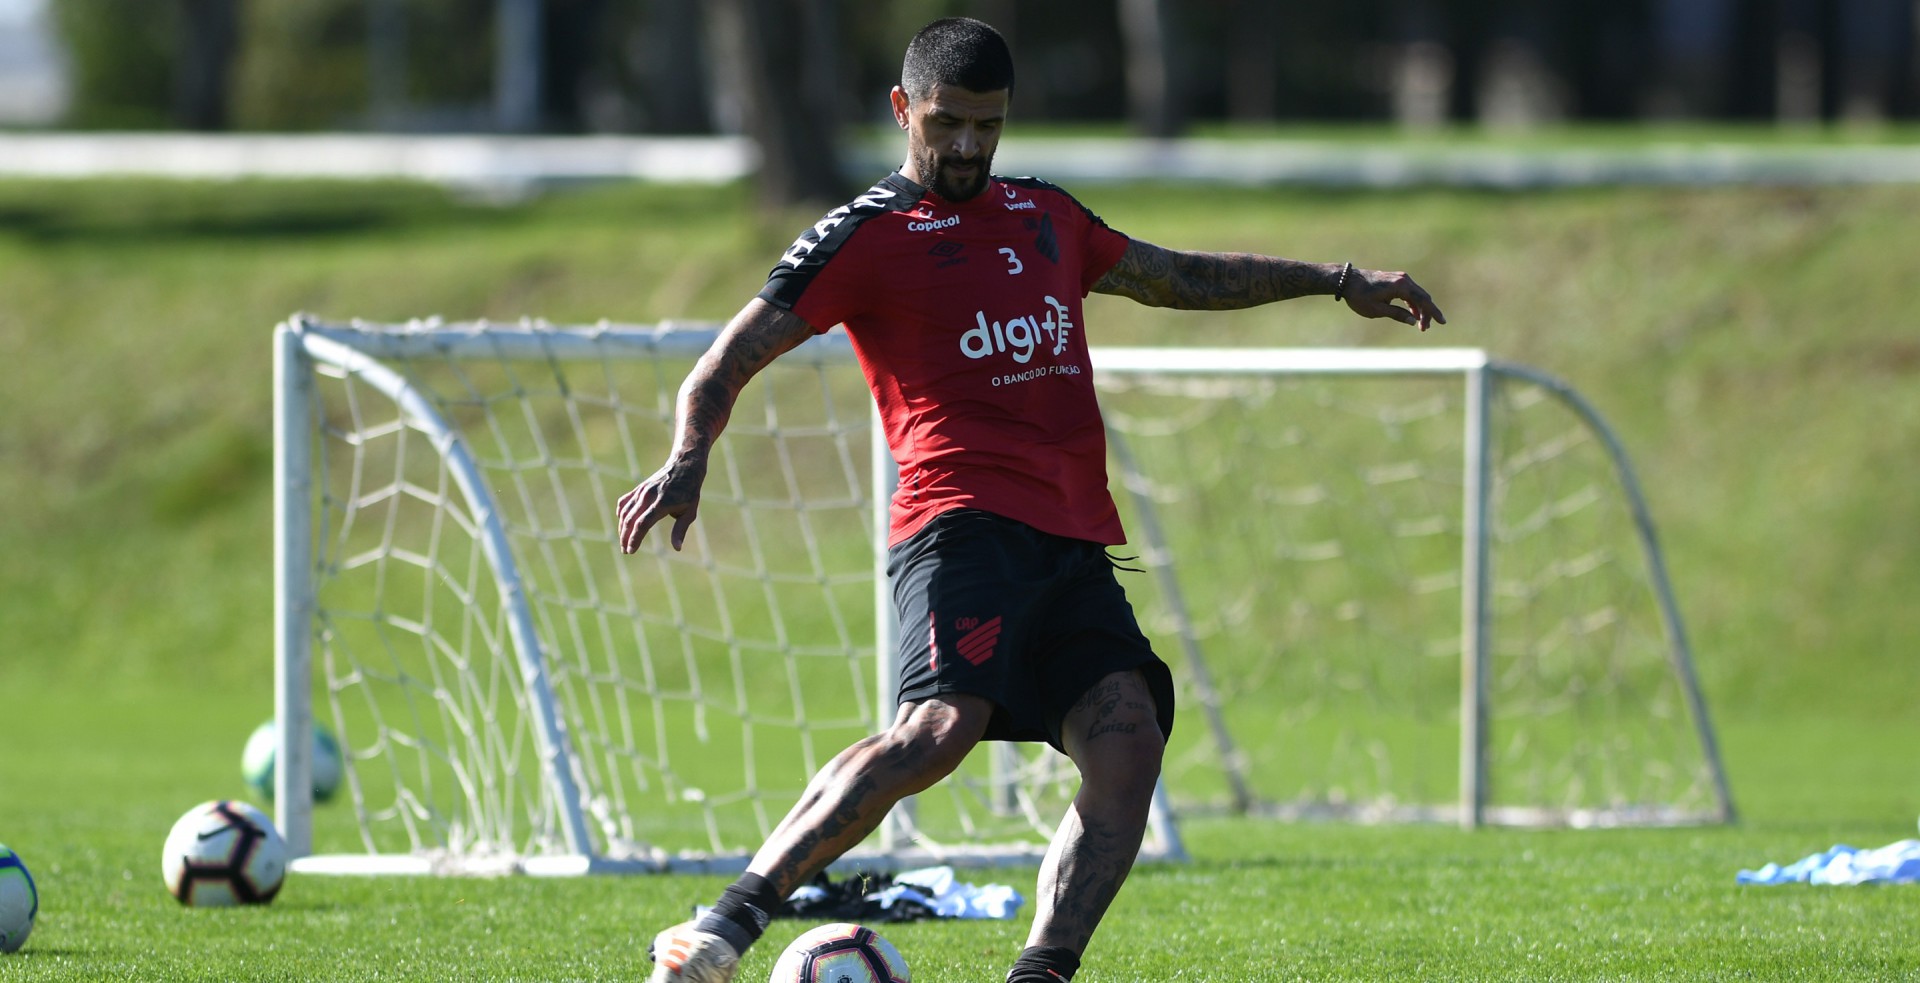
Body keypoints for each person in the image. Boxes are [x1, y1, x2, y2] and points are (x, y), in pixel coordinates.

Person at [617, 16, 1446, 983]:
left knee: (1129, 741)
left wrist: (1336, 281)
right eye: (948, 123)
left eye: (988, 125)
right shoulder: (868, 235)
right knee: (938, 731)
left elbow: (1173, 275)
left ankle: (1040, 972)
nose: (968, 146)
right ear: (903, 110)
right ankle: (722, 929)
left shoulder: (1045, 216)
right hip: (958, 525)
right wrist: (688, 454)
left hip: (1072, 542)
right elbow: (725, 360)